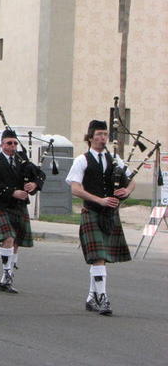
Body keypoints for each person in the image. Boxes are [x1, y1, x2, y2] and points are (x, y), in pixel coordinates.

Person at [66, 120, 134, 316]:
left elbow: (131, 182)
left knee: (100, 258)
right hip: (92, 212)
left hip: (110, 214)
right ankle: (102, 298)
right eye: (99, 134)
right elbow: (75, 188)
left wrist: (126, 190)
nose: (103, 138)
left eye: (105, 134)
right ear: (90, 137)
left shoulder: (115, 159)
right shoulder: (82, 160)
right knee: (99, 257)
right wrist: (100, 200)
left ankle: (91, 297)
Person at [0, 129, 45, 293]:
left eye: (15, 143)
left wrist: (34, 185)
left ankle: (6, 279)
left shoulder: (22, 160)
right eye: (9, 143)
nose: (13, 146)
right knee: (8, 238)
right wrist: (12, 192)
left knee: (16, 242)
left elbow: (40, 175)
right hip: (1, 205)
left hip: (19, 206)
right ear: (2, 144)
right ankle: (7, 272)